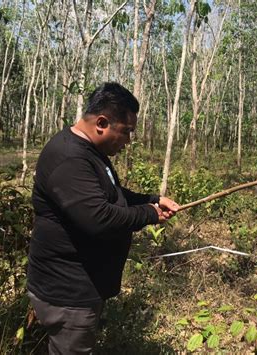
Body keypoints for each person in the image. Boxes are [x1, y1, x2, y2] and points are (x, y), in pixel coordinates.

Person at [26, 82, 179, 354]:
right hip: (68, 292)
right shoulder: (69, 158)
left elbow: (111, 195)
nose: (128, 141)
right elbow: (99, 218)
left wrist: (152, 199)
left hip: (81, 286)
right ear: (101, 122)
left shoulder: (89, 152)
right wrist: (149, 214)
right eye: (126, 132)